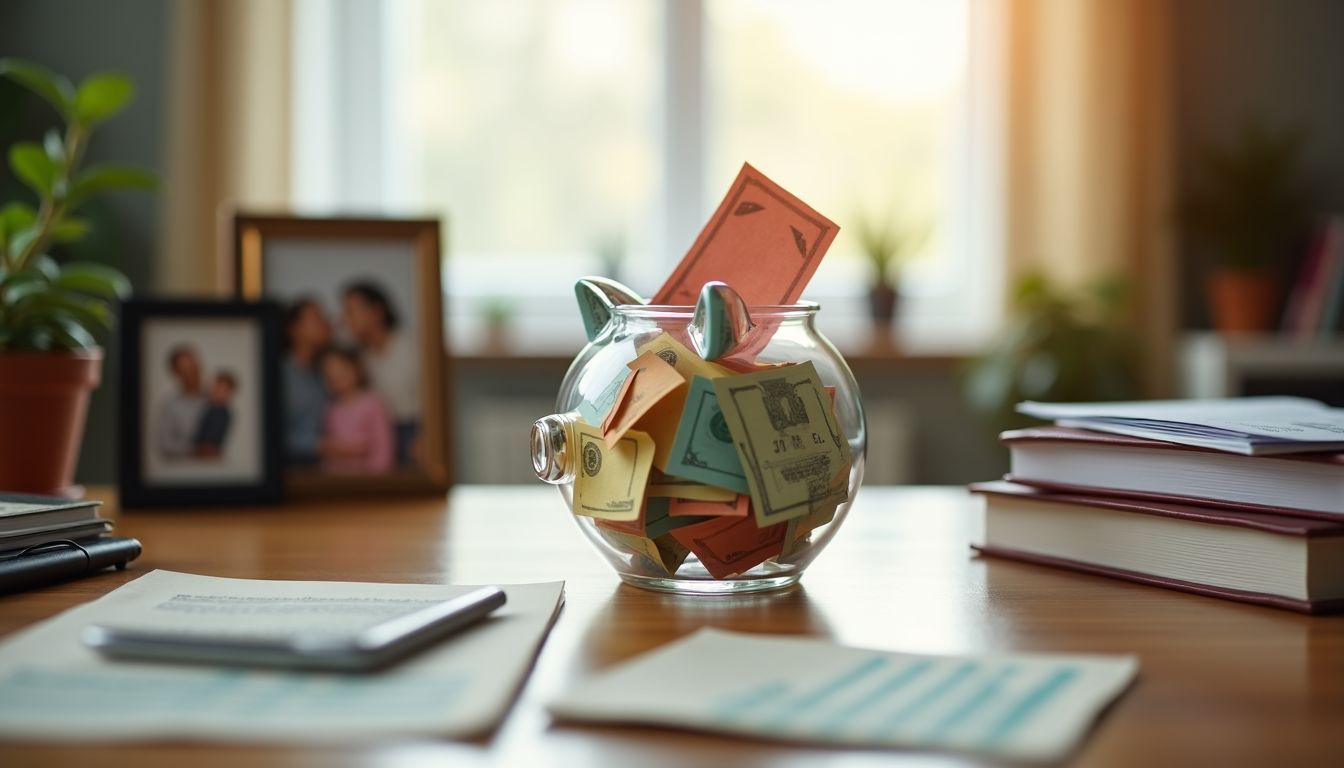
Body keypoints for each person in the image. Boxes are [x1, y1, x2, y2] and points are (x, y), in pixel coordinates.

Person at [341, 280, 421, 466]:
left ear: (377, 310)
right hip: (379, 435)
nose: (347, 320)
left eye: (351, 311)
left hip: (415, 431)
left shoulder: (411, 346)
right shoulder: (359, 357)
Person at [318, 346, 394, 474]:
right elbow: (329, 452)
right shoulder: (331, 409)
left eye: (342, 369)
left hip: (369, 480)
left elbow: (384, 448)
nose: (335, 374)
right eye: (330, 374)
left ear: (356, 368)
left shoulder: (373, 403)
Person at [283, 297, 333, 466]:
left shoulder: (325, 371)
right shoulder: (281, 376)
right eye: (318, 318)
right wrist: (315, 445)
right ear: (294, 329)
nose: (326, 324)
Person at [157, 345, 207, 459]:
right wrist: (197, 450)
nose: (193, 374)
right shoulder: (170, 406)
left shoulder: (216, 400)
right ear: (176, 373)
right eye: (186, 370)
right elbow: (165, 445)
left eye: (194, 368)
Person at [192, 371, 237, 458]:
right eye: (215, 387)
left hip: (206, 457)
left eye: (222, 390)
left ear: (229, 393)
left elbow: (209, 445)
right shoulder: (210, 408)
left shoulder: (221, 414)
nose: (216, 391)